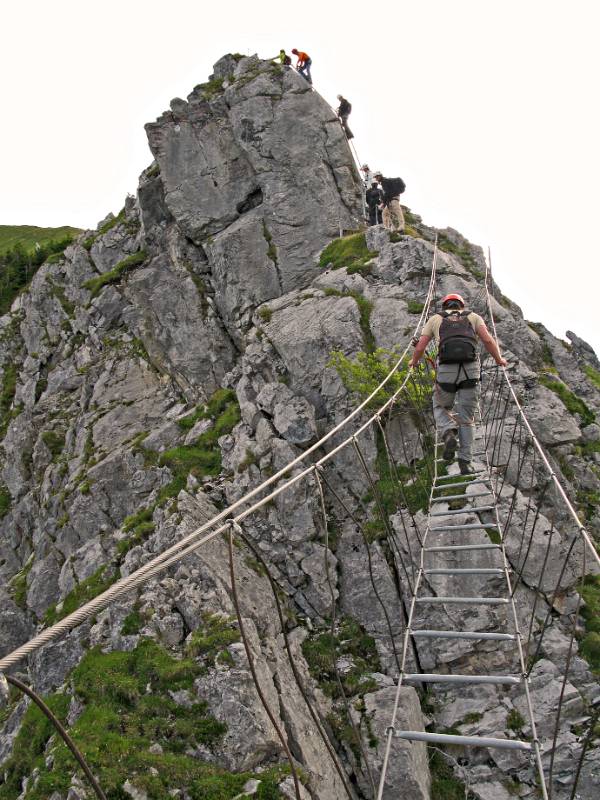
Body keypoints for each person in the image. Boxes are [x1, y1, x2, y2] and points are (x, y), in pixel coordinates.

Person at [408, 293, 508, 474]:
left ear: (445, 305)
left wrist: (413, 362)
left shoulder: (435, 319)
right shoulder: (473, 317)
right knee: (467, 418)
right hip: (470, 372)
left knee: (440, 405)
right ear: (461, 305)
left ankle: (448, 432)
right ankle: (465, 462)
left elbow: (421, 347)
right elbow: (487, 340)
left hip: (446, 372)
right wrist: (499, 359)